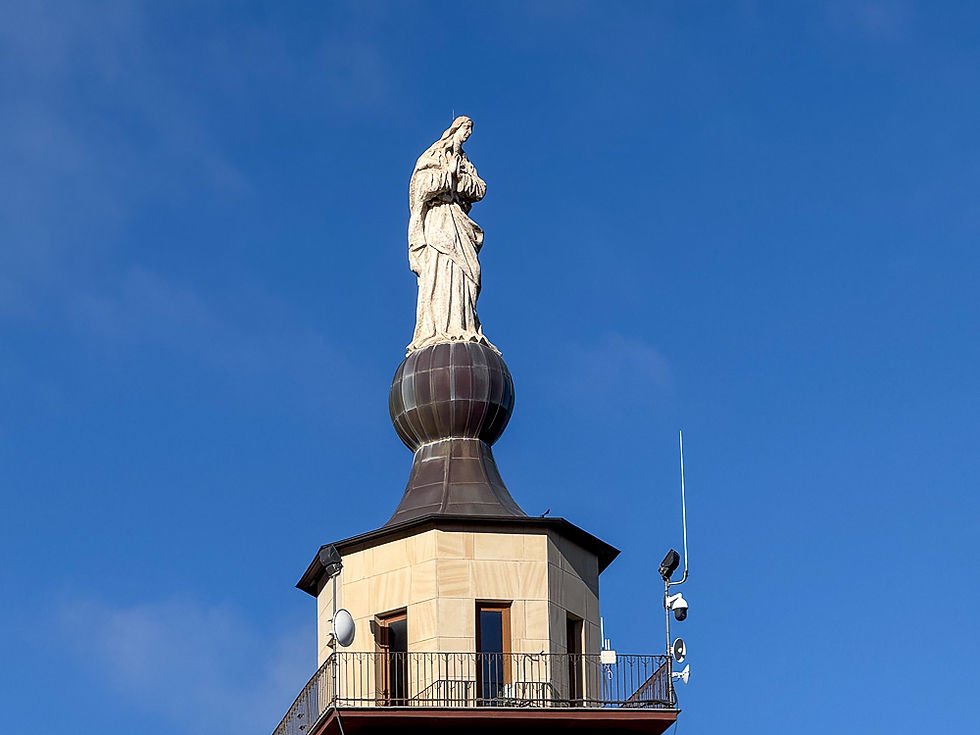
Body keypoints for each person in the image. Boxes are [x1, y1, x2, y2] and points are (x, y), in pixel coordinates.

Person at [407, 116, 497, 353]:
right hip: (439, 217)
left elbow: (480, 189)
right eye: (465, 129)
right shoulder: (433, 156)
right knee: (442, 267)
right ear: (455, 130)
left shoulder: (465, 162)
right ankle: (436, 328)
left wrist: (457, 179)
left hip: (458, 219)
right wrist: (446, 176)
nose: (467, 134)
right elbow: (421, 186)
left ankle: (463, 323)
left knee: (469, 271)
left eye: (470, 130)